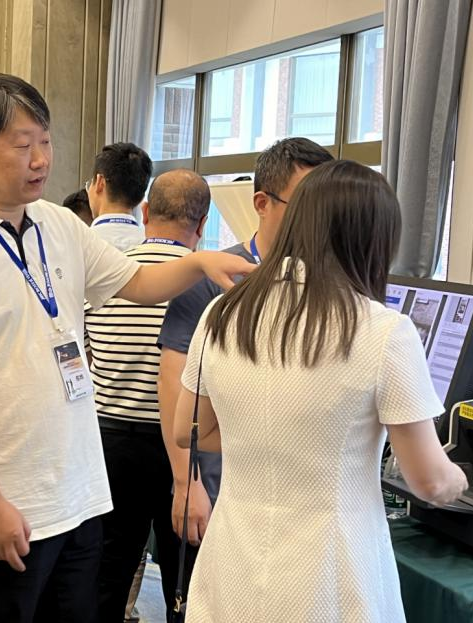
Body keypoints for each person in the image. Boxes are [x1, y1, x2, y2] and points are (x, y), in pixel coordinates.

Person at [0, 72, 254, 623]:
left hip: (79, 497)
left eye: (45, 141)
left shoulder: (58, 223)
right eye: (23, 145)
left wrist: (200, 263)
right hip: (6, 506)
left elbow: (137, 282)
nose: (41, 159)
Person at [173, 160, 469, 623]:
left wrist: (269, 443)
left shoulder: (222, 314)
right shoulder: (383, 331)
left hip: (232, 565)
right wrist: (461, 481)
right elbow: (428, 481)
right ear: (375, 240)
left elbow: (189, 431)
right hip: (331, 578)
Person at [158, 137, 333, 551]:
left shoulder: (329, 285)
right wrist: (186, 483)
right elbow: (172, 382)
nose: (316, 220)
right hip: (219, 488)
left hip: (296, 502)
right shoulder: (215, 278)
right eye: (303, 204)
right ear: (262, 203)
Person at [85, 169, 211, 621]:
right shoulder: (206, 284)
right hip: (182, 446)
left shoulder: (109, 276)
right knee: (186, 575)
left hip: (110, 440)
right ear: (202, 224)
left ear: (145, 212)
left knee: (107, 571)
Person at [85, 142, 151, 251]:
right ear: (141, 197)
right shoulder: (150, 245)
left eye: (90, 183)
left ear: (100, 183)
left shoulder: (79, 244)